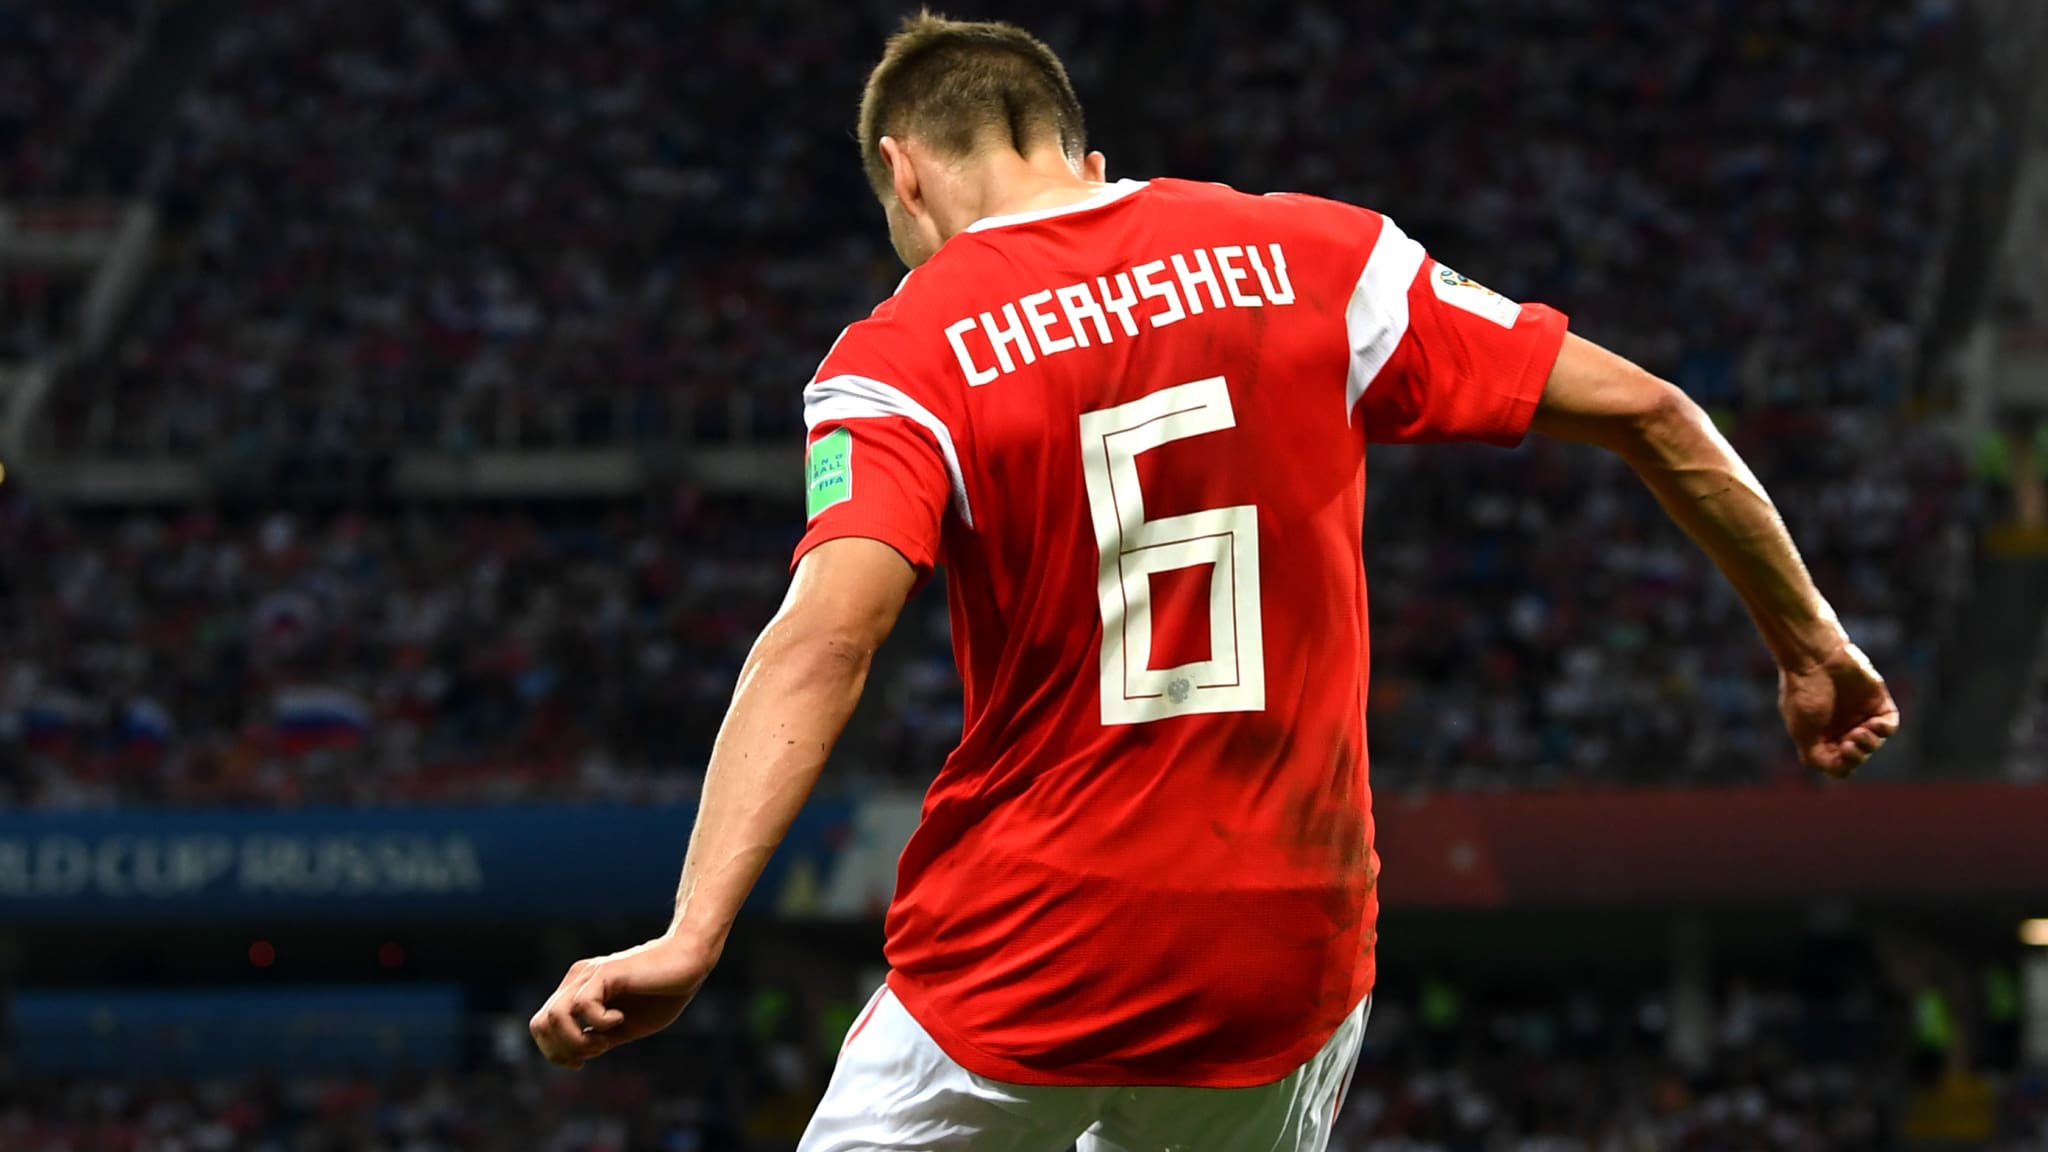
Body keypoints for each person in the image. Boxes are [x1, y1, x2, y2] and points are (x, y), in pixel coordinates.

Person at [528, 14, 1900, 1150]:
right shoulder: (1326, 257)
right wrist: (1809, 644)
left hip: (1030, 940)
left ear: (905, 172)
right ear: (1082, 155)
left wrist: (693, 932)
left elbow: (827, 635)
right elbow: (1655, 411)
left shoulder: (901, 351)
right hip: (1284, 950)